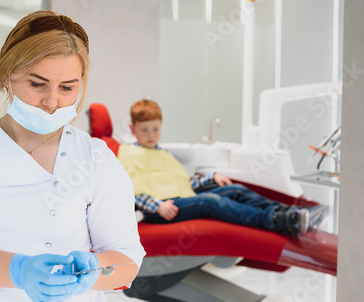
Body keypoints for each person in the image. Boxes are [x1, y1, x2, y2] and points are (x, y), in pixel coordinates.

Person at [0, 10, 145, 302]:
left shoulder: (96, 158)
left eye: (67, 87)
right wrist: (19, 270)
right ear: (6, 77)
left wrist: (92, 272)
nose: (52, 102)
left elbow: (127, 260)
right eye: (37, 84)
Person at [117, 99, 311, 236]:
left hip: (181, 200)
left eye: (155, 129)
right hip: (162, 210)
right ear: (133, 129)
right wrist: (157, 206)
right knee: (209, 201)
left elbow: (181, 182)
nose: (151, 135)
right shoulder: (128, 153)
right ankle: (274, 220)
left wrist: (211, 178)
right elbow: (131, 191)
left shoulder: (163, 153)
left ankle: (286, 212)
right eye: (144, 130)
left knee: (234, 189)